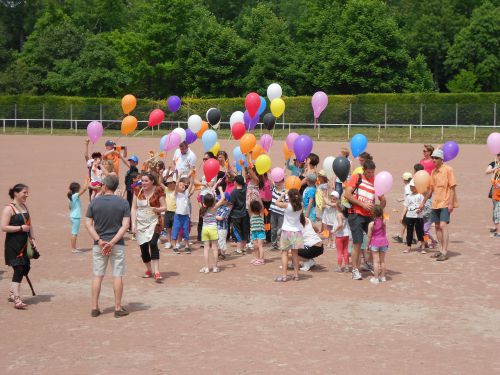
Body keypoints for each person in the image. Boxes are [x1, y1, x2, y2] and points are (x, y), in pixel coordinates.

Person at [85, 175, 130, 318]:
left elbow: (88, 224)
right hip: (117, 244)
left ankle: (94, 307)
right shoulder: (123, 203)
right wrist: (113, 242)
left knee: (98, 275)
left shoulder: (94, 202)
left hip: (99, 245)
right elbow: (125, 226)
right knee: (117, 275)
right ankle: (117, 307)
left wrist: (99, 240)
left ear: (104, 186)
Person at [344, 159, 386, 280]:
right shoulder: (357, 178)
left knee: (375, 241)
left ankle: (370, 264)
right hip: (356, 214)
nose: (371, 175)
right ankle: (355, 270)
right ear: (364, 170)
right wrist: (362, 205)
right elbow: (347, 195)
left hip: (369, 216)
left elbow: (383, 200)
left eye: (373, 172)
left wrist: (378, 211)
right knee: (357, 242)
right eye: (368, 172)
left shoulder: (376, 182)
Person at [1, 184, 37, 309]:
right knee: (19, 269)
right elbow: (4, 227)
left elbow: (30, 224)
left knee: (26, 268)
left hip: (25, 244)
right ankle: (17, 299)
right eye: (24, 192)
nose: (27, 195)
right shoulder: (9, 209)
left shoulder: (24, 206)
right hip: (13, 245)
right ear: (16, 193)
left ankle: (12, 293)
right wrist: (20, 228)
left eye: (27, 193)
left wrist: (32, 239)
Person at [419, 149, 458, 261]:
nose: (434, 160)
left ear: (442, 159)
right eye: (433, 158)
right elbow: (431, 190)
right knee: (436, 226)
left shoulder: (448, 170)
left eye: (436, 158)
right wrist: (423, 202)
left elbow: (452, 187)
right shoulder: (433, 172)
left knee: (443, 225)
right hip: (435, 202)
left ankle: (445, 251)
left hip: (445, 202)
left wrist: (451, 203)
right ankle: (440, 250)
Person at [131, 173, 167, 282]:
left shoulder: (158, 190)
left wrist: (158, 209)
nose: (143, 183)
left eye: (146, 181)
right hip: (141, 223)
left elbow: (165, 207)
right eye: (142, 180)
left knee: (153, 243)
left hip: (155, 222)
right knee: (144, 248)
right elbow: (133, 208)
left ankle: (156, 272)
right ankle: (149, 269)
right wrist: (133, 224)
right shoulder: (137, 190)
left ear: (152, 181)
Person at [274, 189, 304, 282]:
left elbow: (276, 202)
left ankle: (284, 276)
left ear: (290, 197)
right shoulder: (301, 206)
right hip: (297, 232)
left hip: (287, 231)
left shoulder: (287, 205)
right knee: (295, 255)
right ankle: (296, 275)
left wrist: (283, 194)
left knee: (284, 254)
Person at [199, 188, 225, 273]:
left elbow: (200, 197)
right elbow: (223, 198)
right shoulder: (214, 207)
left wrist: (210, 191)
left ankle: (206, 268)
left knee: (206, 249)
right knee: (214, 248)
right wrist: (220, 190)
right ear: (213, 201)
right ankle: (215, 267)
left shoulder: (202, 208)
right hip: (213, 228)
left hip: (205, 229)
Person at [171, 173, 195, 254]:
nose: (183, 186)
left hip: (186, 216)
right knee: (175, 230)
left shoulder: (186, 193)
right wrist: (179, 177)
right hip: (178, 216)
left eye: (184, 185)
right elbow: (177, 184)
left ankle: (187, 246)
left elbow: (191, 184)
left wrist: (192, 178)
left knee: (185, 231)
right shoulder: (176, 194)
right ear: (177, 187)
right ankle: (174, 246)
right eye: (181, 185)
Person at [367, 205, 389, 284]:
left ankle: (376, 278)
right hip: (384, 242)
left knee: (376, 262)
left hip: (375, 243)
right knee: (382, 261)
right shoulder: (384, 221)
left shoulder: (371, 224)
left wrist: (367, 246)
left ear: (373, 213)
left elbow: (369, 236)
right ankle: (383, 277)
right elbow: (385, 216)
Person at [402, 179, 425, 253]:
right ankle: (408, 247)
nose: (412, 188)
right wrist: (402, 216)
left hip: (419, 217)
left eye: (413, 187)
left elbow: (423, 205)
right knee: (409, 232)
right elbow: (405, 206)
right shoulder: (408, 196)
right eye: (411, 187)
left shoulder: (421, 195)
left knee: (421, 232)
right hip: (409, 216)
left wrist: (420, 210)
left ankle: (423, 247)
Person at [67, 178, 89, 253]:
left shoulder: (70, 197)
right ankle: (73, 249)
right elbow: (85, 189)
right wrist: (86, 181)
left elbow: (69, 207)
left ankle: (73, 248)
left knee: (74, 232)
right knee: (74, 233)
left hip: (73, 216)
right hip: (76, 217)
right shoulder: (75, 195)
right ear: (76, 189)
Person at [330, 191, 351, 272]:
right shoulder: (345, 215)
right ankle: (347, 267)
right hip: (346, 234)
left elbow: (340, 225)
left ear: (338, 207)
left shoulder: (339, 214)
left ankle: (339, 267)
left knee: (339, 252)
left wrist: (334, 231)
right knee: (345, 251)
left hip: (340, 235)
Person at [229, 175, 249, 255]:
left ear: (236, 182)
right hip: (245, 213)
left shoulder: (234, 193)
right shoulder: (245, 189)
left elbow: (231, 205)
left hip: (236, 215)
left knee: (237, 231)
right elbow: (244, 181)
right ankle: (243, 247)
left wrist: (227, 213)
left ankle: (238, 249)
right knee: (244, 230)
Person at [393, 172, 413, 243]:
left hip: (408, 207)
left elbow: (408, 198)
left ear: (405, 179)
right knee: (411, 223)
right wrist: (402, 198)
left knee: (404, 222)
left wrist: (402, 214)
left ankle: (401, 237)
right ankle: (413, 238)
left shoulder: (407, 187)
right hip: (412, 206)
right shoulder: (412, 185)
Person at [269, 177, 286, 250]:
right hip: (273, 212)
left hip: (281, 213)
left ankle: (282, 244)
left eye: (280, 181)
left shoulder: (285, 192)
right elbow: (270, 179)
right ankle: (274, 244)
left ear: (283, 181)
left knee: (281, 230)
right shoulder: (273, 189)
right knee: (273, 229)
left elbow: (286, 203)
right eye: (276, 182)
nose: (278, 183)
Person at [486, 153, 500, 235]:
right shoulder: (494, 163)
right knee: (496, 208)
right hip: (495, 188)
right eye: (498, 155)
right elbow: (487, 171)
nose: (499, 157)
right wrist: (494, 169)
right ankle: (495, 226)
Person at [249, 200, 266, 265]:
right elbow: (249, 205)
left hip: (260, 232)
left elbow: (262, 206)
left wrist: (258, 198)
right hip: (254, 232)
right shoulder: (251, 214)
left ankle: (261, 259)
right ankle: (257, 258)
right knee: (255, 246)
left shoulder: (261, 214)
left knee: (260, 246)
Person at [216, 192, 231, 259]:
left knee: (221, 240)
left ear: (226, 201)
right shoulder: (218, 207)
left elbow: (221, 218)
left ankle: (223, 253)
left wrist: (212, 216)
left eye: (221, 199)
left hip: (222, 228)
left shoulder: (227, 208)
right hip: (216, 227)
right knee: (216, 240)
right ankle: (219, 252)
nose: (219, 200)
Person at [163, 176, 177, 249]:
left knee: (175, 229)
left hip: (175, 212)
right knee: (168, 229)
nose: (169, 185)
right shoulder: (166, 189)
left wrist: (178, 176)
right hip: (167, 212)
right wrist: (160, 174)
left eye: (170, 183)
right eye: (167, 183)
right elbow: (159, 183)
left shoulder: (176, 190)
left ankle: (175, 242)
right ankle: (169, 242)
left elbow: (178, 184)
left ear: (174, 183)